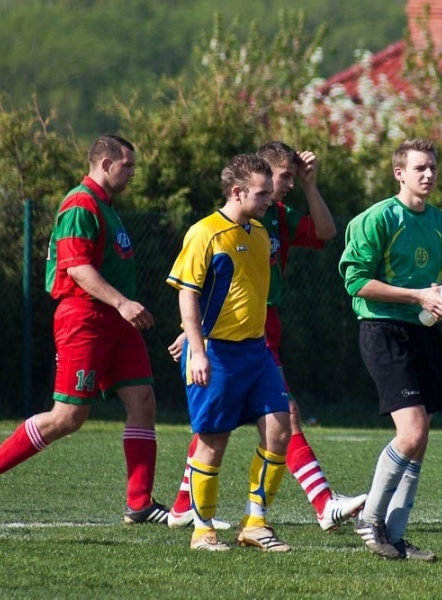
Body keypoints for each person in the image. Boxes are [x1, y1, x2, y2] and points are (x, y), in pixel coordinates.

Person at [0, 134, 168, 525]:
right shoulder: (81, 203)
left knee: (143, 401)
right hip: (85, 318)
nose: (132, 173)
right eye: (127, 166)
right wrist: (123, 302)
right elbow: (77, 268)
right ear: (105, 164)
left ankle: (139, 504)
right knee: (68, 417)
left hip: (115, 321)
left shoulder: (107, 207)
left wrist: (121, 308)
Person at [166, 142, 366, 531]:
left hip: (260, 327)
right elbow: (198, 286)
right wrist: (195, 337)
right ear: (256, 179)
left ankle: (187, 508)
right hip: (230, 335)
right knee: (251, 421)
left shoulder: (272, 219)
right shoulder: (219, 227)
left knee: (247, 422)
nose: (287, 184)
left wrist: (311, 186)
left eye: (292, 177)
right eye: (283, 177)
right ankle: (322, 502)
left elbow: (326, 232)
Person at [338, 138, 442, 562]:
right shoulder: (376, 219)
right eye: (420, 167)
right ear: (399, 173)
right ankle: (370, 521)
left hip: (424, 334)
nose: (428, 175)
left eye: (433, 168)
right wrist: (417, 297)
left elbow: (439, 282)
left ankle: (396, 534)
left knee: (420, 439)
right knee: (410, 433)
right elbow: (357, 282)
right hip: (383, 330)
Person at [167, 153, 292, 552]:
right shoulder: (204, 233)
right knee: (212, 441)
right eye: (262, 193)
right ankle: (202, 531)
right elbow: (189, 294)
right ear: (237, 192)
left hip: (256, 352)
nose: (269, 200)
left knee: (280, 430)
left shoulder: (257, 233)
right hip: (217, 355)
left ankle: (255, 523)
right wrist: (197, 349)